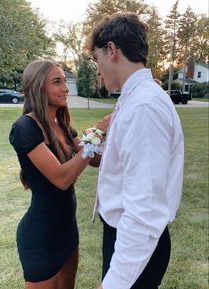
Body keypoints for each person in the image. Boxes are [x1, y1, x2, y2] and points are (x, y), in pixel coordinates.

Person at [85, 12, 184, 289]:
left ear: (112, 50)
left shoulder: (143, 107)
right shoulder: (134, 98)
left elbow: (145, 211)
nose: (97, 68)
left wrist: (114, 283)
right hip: (127, 238)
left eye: (97, 59)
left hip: (137, 245)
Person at [9, 59, 106, 289]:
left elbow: (93, 159)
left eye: (65, 81)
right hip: (40, 237)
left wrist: (102, 138)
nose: (65, 88)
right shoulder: (24, 128)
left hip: (67, 231)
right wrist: (96, 135)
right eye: (57, 82)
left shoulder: (62, 124)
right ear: (37, 87)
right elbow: (62, 179)